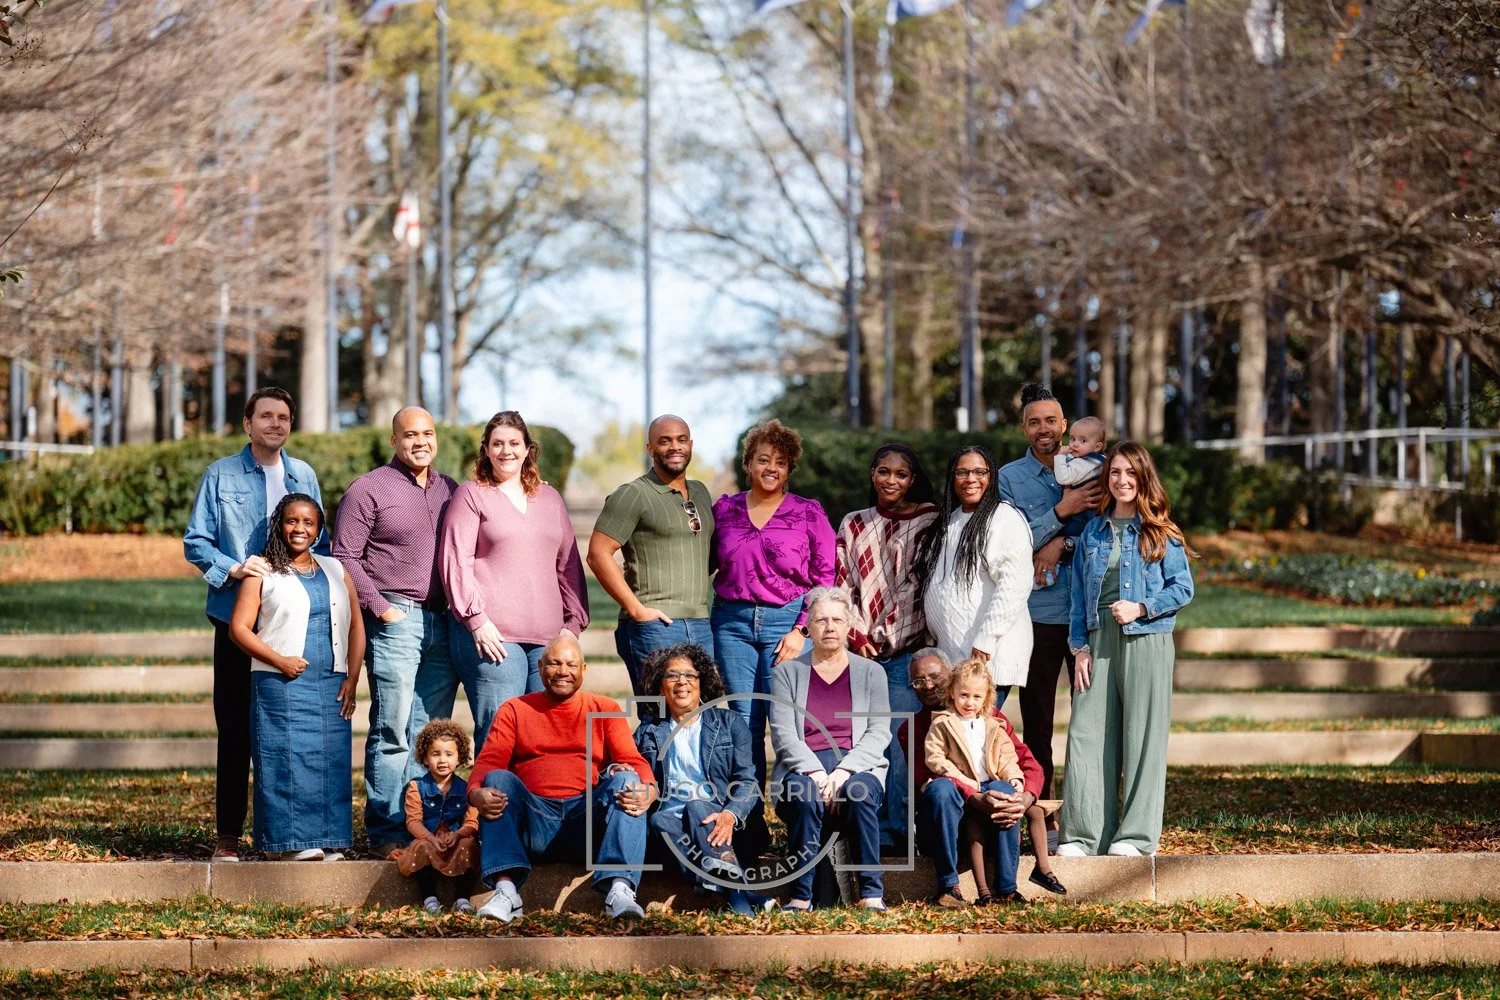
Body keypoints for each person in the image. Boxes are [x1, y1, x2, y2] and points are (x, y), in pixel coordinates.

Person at [184, 386, 326, 862]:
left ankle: (287, 832)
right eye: (265, 416)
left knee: (286, 729)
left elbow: (316, 544)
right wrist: (234, 568)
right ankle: (228, 833)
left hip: (289, 622)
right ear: (248, 424)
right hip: (235, 618)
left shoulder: (303, 474)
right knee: (236, 726)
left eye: (283, 417)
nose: (275, 424)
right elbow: (195, 542)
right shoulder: (220, 474)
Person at [333, 405, 460, 859]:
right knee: (392, 727)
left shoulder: (451, 490)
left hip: (442, 622)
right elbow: (345, 554)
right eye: (410, 434)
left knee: (427, 734)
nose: (420, 442)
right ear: (394, 440)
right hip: (396, 619)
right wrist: (381, 608)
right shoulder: (368, 489)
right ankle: (387, 829)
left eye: (427, 433)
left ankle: (420, 825)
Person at [1059, 442, 1196, 858]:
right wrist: (1079, 647)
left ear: (1143, 479)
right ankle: (1083, 836)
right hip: (1098, 640)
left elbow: (1183, 589)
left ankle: (1134, 838)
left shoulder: (1161, 532)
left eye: (1130, 474)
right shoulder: (1093, 532)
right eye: (1115, 473)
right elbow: (1078, 597)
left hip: (1147, 639)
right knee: (1086, 733)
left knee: (1142, 736)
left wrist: (1142, 607)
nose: (1122, 481)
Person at [467, 634, 657, 922]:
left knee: (628, 780)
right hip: (535, 821)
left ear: (584, 669)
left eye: (571, 664)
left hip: (586, 820)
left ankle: (619, 889)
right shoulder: (516, 709)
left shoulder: (604, 707)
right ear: (540, 667)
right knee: (496, 780)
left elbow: (632, 759)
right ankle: (506, 892)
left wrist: (650, 791)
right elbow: (489, 760)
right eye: (554, 663)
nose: (563, 671)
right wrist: (474, 794)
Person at [441, 410, 589, 751]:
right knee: (501, 734)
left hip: (549, 640)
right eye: (497, 444)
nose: (505, 451)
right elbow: (455, 560)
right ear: (486, 450)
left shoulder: (549, 499)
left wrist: (573, 624)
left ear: (526, 450)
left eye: (513, 443)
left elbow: (567, 565)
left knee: (543, 737)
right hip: (493, 637)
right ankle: (492, 803)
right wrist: (476, 621)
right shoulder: (471, 495)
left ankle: (535, 804)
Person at [227, 493, 364, 861]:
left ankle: (327, 838)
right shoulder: (263, 571)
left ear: (319, 530)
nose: (299, 528)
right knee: (284, 758)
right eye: (292, 521)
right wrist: (280, 661)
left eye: (308, 522)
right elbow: (239, 629)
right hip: (280, 682)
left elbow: (356, 628)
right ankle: (283, 845)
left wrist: (352, 677)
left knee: (329, 761)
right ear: (279, 524)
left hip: (330, 681)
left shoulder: (336, 569)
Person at [998, 383, 1103, 820]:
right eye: (1034, 422)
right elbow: (1009, 540)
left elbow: (1104, 530)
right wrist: (1060, 513)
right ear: (1025, 428)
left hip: (1088, 610)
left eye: (1051, 420)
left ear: (1064, 424)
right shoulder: (1008, 478)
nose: (1044, 429)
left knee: (1091, 717)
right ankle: (1041, 812)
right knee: (1037, 721)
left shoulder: (1097, 468)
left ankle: (1088, 811)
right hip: (1037, 613)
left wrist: (1062, 545)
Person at [711, 418, 836, 783]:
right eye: (764, 460)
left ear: (789, 470)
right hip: (732, 624)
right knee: (742, 719)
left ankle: (793, 806)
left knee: (786, 719)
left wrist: (801, 631)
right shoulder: (725, 511)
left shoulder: (808, 512)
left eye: (780, 462)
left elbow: (824, 577)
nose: (771, 468)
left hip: (787, 623)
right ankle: (748, 816)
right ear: (748, 463)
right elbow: (701, 560)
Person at [834, 441, 939, 851]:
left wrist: (891, 634)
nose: (890, 480)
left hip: (907, 651)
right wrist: (857, 636)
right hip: (859, 650)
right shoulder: (854, 523)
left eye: (900, 473)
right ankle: (865, 829)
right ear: (871, 474)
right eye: (883, 471)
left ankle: (896, 834)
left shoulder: (929, 518)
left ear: (912, 479)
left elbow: (919, 585)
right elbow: (844, 585)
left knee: (898, 740)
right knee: (863, 739)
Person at [768, 587, 890, 912]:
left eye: (837, 619)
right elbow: (783, 735)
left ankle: (872, 895)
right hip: (802, 769)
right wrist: (819, 775)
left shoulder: (872, 673)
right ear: (807, 625)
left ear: (850, 625)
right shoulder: (786, 674)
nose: (830, 627)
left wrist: (843, 773)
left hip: (856, 767)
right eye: (821, 620)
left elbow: (878, 732)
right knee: (805, 796)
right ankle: (800, 898)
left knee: (861, 791)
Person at [632, 643, 775, 915]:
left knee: (698, 805)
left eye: (690, 675)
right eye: (672, 675)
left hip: (726, 824)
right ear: (660, 687)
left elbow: (748, 781)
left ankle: (736, 901)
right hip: (673, 831)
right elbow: (632, 767)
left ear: (702, 683)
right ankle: (743, 895)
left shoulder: (730, 723)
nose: (681, 682)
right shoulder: (649, 731)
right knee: (659, 819)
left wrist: (731, 815)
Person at [898, 648, 1043, 908]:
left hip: (995, 814)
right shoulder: (912, 729)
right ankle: (948, 887)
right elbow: (928, 775)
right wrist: (975, 796)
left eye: (935, 677)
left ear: (949, 678)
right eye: (918, 681)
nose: (928, 686)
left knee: (1004, 789)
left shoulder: (991, 720)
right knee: (940, 788)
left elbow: (1028, 764)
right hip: (944, 824)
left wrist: (1024, 797)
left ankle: (1007, 889)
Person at [587, 415, 716, 697]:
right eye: (664, 441)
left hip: (701, 623)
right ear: (650, 449)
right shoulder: (633, 494)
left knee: (701, 718)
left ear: (691, 444)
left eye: (681, 440)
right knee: (658, 718)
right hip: (655, 626)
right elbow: (598, 555)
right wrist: (637, 611)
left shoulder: (701, 492)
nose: (674, 447)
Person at [918, 445, 1034, 703]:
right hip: (953, 655)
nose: (971, 479)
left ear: (991, 477)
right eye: (963, 472)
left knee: (979, 737)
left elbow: (1014, 586)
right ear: (952, 477)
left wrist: (987, 638)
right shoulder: (947, 522)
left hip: (988, 656)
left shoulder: (1004, 519)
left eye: (980, 472)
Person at [391, 718, 479, 915]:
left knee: (469, 846)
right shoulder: (416, 787)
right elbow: (413, 821)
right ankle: (429, 898)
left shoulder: (466, 789)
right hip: (429, 839)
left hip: (454, 841)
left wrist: (457, 835)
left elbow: (472, 822)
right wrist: (430, 838)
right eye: (435, 754)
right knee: (421, 847)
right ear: (424, 757)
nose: (442, 760)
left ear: (459, 757)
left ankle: (462, 898)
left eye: (449, 754)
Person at [1054, 416, 1108, 491]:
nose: (1075, 444)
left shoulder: (1090, 463)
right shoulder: (1090, 458)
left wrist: (1060, 456)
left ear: (1097, 447)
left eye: (1083, 441)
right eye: (1073, 439)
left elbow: (1063, 478)